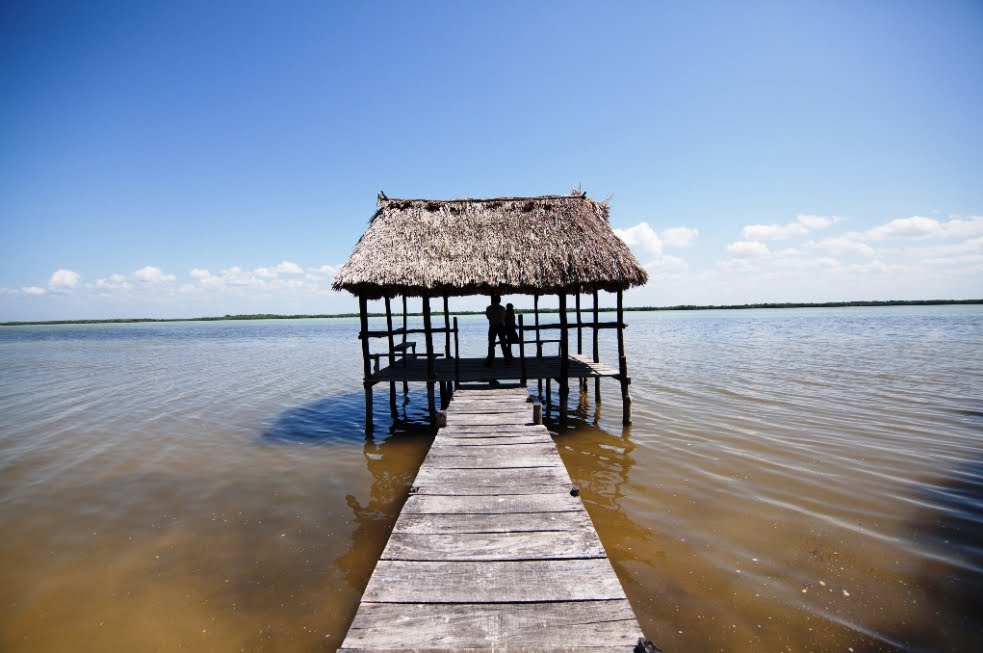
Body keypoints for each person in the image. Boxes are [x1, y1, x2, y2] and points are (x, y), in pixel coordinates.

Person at [483, 294, 511, 366]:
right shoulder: (502, 308)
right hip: (501, 326)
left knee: (491, 344)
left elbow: (488, 317)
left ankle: (490, 361)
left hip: (493, 326)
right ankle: (506, 359)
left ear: (493, 300)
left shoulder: (489, 308)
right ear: (499, 300)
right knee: (503, 343)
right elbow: (503, 317)